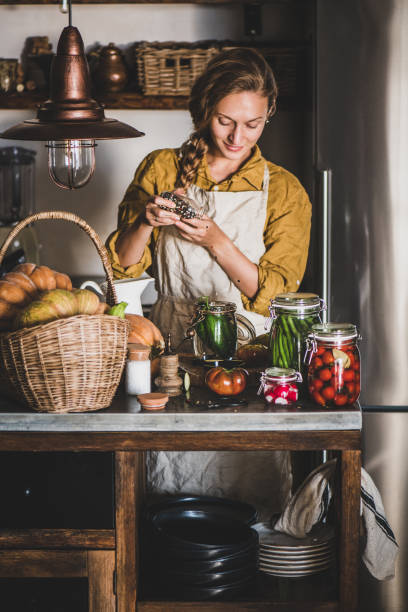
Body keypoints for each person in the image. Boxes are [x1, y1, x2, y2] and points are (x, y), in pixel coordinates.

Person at [106, 48, 311, 518]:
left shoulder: (283, 189)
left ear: (268, 116)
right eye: (225, 121)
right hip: (171, 359)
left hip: (248, 365)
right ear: (204, 111)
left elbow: (274, 295)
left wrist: (217, 240)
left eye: (253, 124)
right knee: (165, 497)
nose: (238, 137)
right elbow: (121, 268)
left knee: (248, 497)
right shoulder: (161, 167)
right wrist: (146, 222)